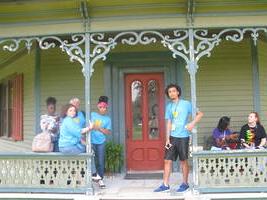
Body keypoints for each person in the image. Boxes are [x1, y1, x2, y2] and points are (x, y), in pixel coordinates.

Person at [154, 84, 203, 193]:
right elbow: (169, 123)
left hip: (184, 136)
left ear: (178, 92)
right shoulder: (169, 107)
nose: (171, 93)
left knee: (183, 161)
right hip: (172, 137)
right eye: (169, 92)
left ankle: (185, 184)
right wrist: (167, 139)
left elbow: (200, 114)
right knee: (167, 160)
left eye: (173, 91)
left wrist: (192, 123)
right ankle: (165, 185)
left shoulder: (186, 104)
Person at [90, 96, 112, 189]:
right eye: (101, 107)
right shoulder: (92, 115)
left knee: (100, 161)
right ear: (98, 107)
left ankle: (100, 179)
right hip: (91, 141)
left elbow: (107, 132)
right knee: (91, 159)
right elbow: (88, 124)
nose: (102, 109)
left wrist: (98, 128)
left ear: (106, 108)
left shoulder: (107, 119)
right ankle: (93, 176)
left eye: (104, 108)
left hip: (101, 142)